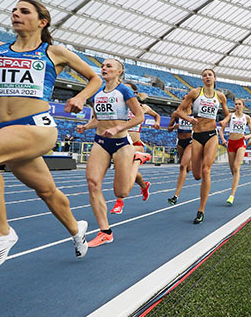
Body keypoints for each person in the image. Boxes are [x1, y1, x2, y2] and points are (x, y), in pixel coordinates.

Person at [0, 0, 100, 273]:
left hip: (37, 126)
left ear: (42, 21)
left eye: (24, 11)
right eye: (13, 10)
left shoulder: (55, 52)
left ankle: (2, 234)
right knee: (47, 191)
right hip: (5, 131)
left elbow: (94, 78)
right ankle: (77, 229)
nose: (15, 14)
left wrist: (82, 98)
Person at [76, 60, 146, 246]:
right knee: (92, 183)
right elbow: (98, 118)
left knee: (120, 192)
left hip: (121, 143)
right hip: (100, 142)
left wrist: (118, 128)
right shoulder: (97, 92)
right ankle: (105, 231)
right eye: (103, 66)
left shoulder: (125, 91)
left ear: (119, 71)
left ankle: (137, 159)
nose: (104, 68)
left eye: (109, 66)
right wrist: (86, 126)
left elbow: (140, 117)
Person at [176, 68, 230, 224]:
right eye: (204, 75)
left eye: (210, 75)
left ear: (214, 78)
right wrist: (190, 119)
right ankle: (195, 165)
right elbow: (179, 111)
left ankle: (201, 210)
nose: (207, 77)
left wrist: (225, 121)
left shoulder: (220, 96)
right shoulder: (195, 93)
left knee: (207, 170)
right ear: (202, 79)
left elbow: (227, 115)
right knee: (197, 175)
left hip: (212, 134)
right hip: (197, 135)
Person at [110, 83, 158, 215]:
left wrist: (157, 122)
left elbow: (156, 116)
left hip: (137, 144)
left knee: (124, 174)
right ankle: (144, 185)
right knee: (132, 173)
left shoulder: (143, 107)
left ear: (134, 93)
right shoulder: (119, 106)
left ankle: (119, 202)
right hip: (122, 144)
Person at [218, 98, 251, 205]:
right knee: (233, 169)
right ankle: (236, 179)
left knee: (236, 167)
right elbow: (222, 128)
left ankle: (232, 195)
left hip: (241, 143)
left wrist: (247, 136)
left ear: (243, 106)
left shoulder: (247, 118)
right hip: (231, 143)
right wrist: (223, 138)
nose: (237, 105)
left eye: (239, 104)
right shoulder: (230, 115)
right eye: (236, 104)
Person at [166, 106, 193, 206]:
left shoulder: (195, 113)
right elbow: (168, 129)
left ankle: (175, 196)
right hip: (180, 142)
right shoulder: (176, 114)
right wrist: (173, 127)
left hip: (191, 141)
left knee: (182, 166)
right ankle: (196, 163)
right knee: (188, 168)